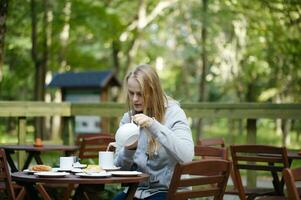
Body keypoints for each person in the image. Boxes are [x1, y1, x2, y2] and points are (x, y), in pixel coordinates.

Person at [113, 64, 194, 200]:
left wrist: (153, 126)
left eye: (140, 94)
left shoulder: (174, 114)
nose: (134, 99)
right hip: (136, 191)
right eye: (131, 93)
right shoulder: (128, 120)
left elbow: (187, 156)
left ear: (153, 91)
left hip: (170, 192)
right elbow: (119, 172)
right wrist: (129, 150)